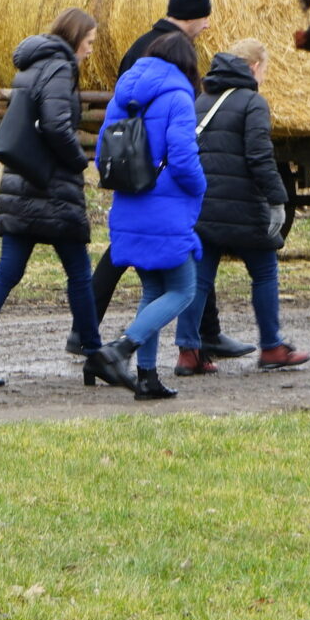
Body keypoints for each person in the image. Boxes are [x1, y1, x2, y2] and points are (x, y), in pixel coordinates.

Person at [82, 0, 251, 360]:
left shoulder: (140, 50)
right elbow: (179, 146)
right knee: (179, 280)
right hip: (162, 185)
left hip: (132, 182)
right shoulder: (173, 66)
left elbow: (119, 119)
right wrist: (196, 185)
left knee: (150, 280)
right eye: (205, 17)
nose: (207, 26)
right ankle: (125, 348)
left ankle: (146, 365)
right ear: (191, 16)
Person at [0, 8, 121, 389]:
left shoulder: (33, 65)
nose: (91, 49)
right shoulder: (60, 67)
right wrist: (78, 162)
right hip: (51, 186)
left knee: (8, 272)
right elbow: (54, 125)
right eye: (90, 41)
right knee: (80, 274)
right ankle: (94, 354)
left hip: (21, 183)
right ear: (76, 36)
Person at [174, 40, 310, 375]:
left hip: (203, 205)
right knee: (264, 272)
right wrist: (278, 200)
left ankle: (188, 352)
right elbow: (260, 157)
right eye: (264, 69)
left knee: (200, 279)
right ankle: (272, 347)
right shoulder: (253, 103)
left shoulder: (200, 102)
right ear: (253, 67)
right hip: (244, 208)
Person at [94, 26, 209, 399]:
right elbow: (182, 157)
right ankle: (121, 349)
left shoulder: (121, 97)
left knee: (153, 289)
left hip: (130, 202)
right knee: (184, 289)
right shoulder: (178, 97)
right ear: (186, 64)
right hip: (167, 207)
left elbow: (101, 156)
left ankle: (147, 377)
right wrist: (200, 187)